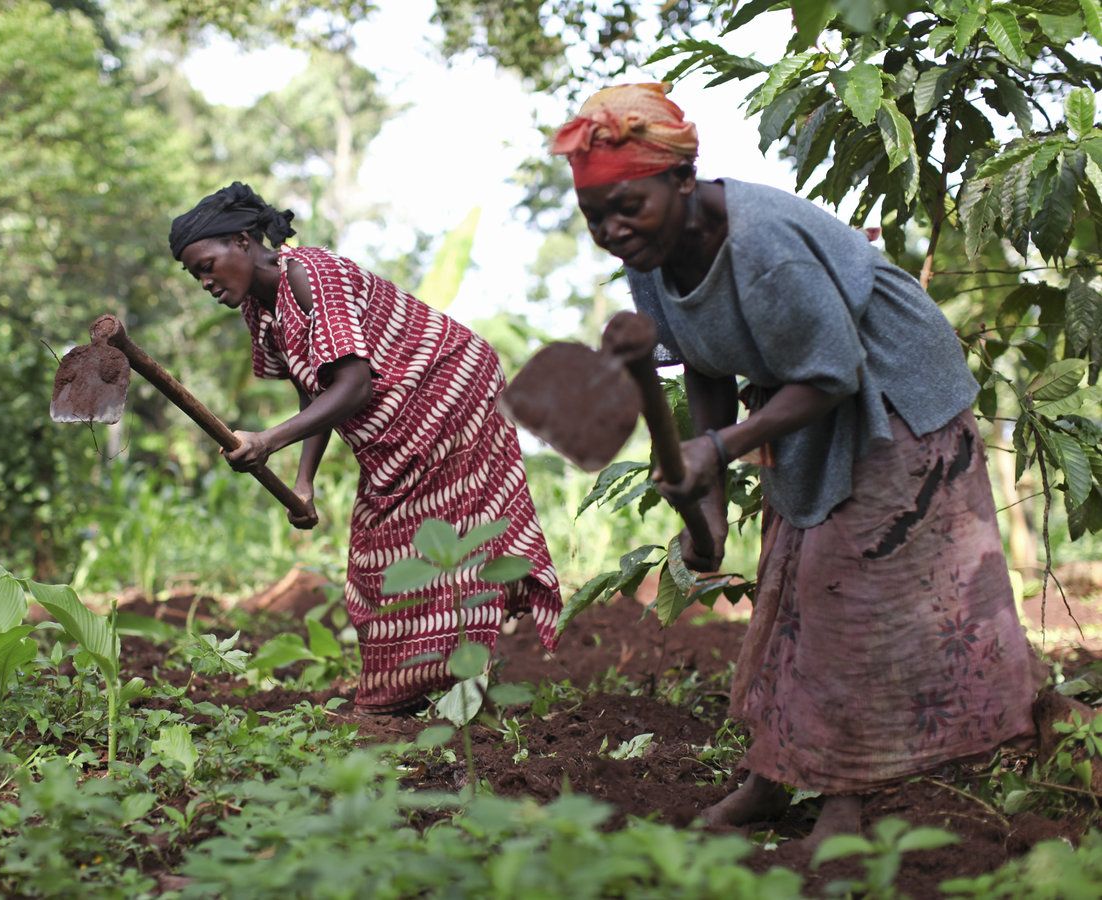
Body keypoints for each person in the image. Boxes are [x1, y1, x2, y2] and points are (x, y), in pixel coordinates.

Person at [553, 83, 1042, 847]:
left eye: (628, 207)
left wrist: (715, 449)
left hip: (894, 392)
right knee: (790, 578)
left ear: (682, 181)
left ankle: (849, 794)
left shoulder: (762, 246)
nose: (613, 230)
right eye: (595, 218)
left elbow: (834, 373)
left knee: (847, 591)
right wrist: (706, 496)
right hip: (808, 397)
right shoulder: (652, 257)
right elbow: (706, 366)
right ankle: (772, 779)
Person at [168, 182, 563, 714]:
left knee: (432, 541)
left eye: (208, 265)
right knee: (380, 556)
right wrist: (302, 482)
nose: (205, 282)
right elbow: (315, 385)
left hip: (448, 389)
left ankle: (415, 694)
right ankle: (429, 687)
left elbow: (354, 385)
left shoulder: (310, 272)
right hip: (394, 429)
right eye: (196, 275)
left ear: (242, 240)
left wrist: (267, 440)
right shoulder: (262, 312)